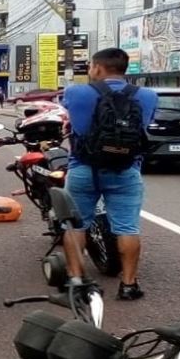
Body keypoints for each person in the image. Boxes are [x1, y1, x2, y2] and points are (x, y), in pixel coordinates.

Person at [61, 48, 158, 300]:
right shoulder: (148, 95)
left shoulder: (77, 92)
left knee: (76, 225)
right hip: (126, 170)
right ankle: (128, 285)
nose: (90, 71)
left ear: (98, 67)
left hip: (83, 169)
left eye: (91, 67)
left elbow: (71, 118)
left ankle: (77, 282)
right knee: (127, 227)